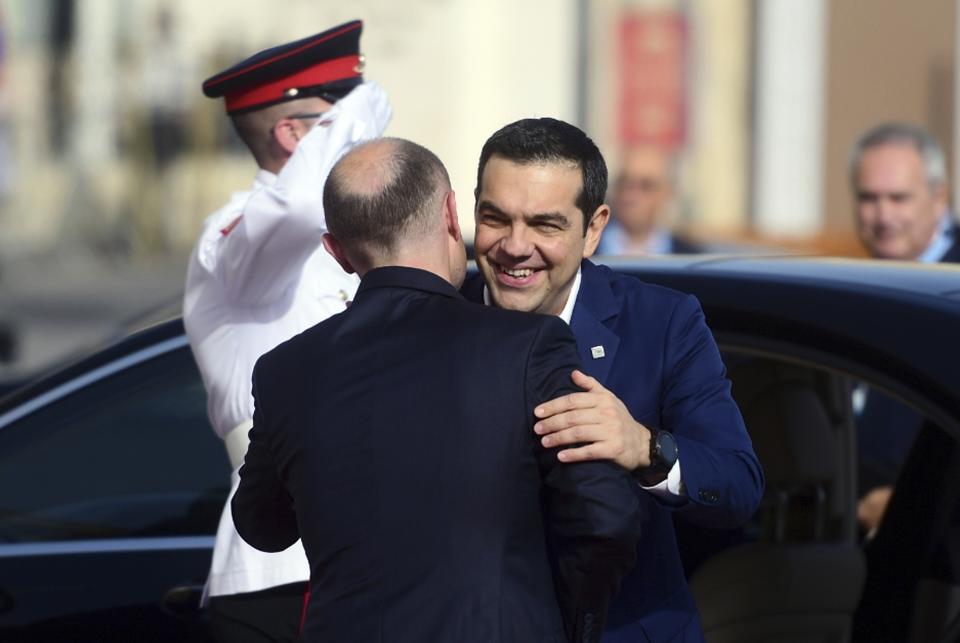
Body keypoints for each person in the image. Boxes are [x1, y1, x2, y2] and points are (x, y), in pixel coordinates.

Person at [232, 137, 642, 643]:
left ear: (336, 252)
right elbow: (605, 521)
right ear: (452, 214)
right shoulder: (529, 348)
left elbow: (260, 524)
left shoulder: (286, 370)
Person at [462, 117, 764, 642]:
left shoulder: (663, 324)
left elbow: (737, 485)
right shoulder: (440, 316)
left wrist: (645, 446)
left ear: (594, 228)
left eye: (545, 225)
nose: (514, 246)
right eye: (496, 218)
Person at [183, 20, 391, 642]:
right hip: (286, 564)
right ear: (293, 133)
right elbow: (297, 209)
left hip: (372, 554)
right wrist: (363, 108)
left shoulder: (344, 245)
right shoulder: (235, 238)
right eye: (338, 120)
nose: (363, 136)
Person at [849, 122, 960, 534]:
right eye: (868, 198)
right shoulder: (849, 287)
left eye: (898, 198)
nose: (883, 216)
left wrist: (916, 502)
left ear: (938, 198)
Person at [597, 144, 701, 255]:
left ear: (668, 193)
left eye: (646, 186)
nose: (630, 195)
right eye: (624, 182)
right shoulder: (582, 255)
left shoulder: (691, 261)